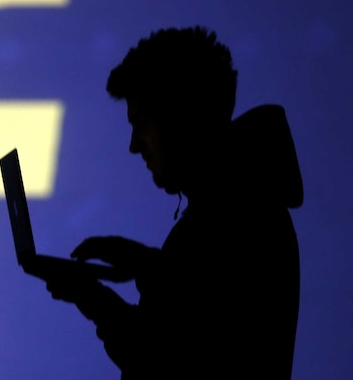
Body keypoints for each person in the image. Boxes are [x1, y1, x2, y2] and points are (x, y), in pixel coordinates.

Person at [42, 27, 302, 378]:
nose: (135, 145)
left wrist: (91, 297)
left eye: (142, 124)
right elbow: (203, 305)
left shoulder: (229, 221)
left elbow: (163, 357)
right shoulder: (245, 207)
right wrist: (145, 263)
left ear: (183, 118)